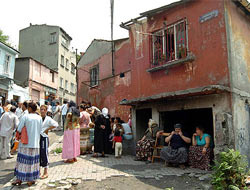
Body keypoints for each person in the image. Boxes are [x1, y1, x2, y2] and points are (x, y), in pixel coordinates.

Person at [12, 102, 43, 186]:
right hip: (35, 144)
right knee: (32, 163)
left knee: (22, 162)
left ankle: (19, 179)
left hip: (25, 143)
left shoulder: (25, 116)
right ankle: (31, 179)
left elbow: (19, 128)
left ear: (29, 108)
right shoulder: (39, 118)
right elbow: (41, 130)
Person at [40, 105, 58, 179]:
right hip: (38, 137)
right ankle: (38, 171)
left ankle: (45, 171)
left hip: (44, 137)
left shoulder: (48, 119)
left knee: (44, 153)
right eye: (41, 109)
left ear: (46, 111)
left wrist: (48, 129)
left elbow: (56, 125)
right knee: (38, 154)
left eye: (44, 109)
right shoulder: (38, 118)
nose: (42, 111)